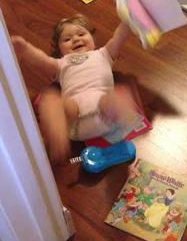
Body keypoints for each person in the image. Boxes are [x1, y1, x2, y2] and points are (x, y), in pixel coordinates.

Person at [11, 14, 141, 164]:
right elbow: (42, 61)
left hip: (105, 113)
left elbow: (119, 37)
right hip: (74, 118)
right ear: (60, 50)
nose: (76, 39)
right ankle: (57, 134)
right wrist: (26, 49)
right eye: (67, 39)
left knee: (119, 93)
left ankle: (121, 115)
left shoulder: (104, 54)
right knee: (51, 100)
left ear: (93, 39)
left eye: (81, 34)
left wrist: (129, 19)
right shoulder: (61, 64)